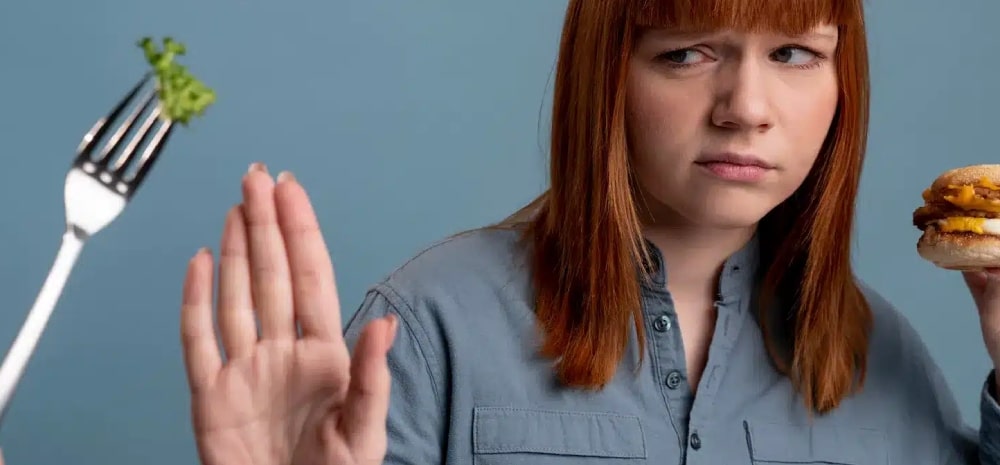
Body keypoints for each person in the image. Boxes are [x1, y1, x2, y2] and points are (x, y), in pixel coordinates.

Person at [176, 0, 1000, 464]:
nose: (747, 108)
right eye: (686, 54)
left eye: (793, 53)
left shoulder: (883, 359)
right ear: (606, 76)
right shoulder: (429, 332)